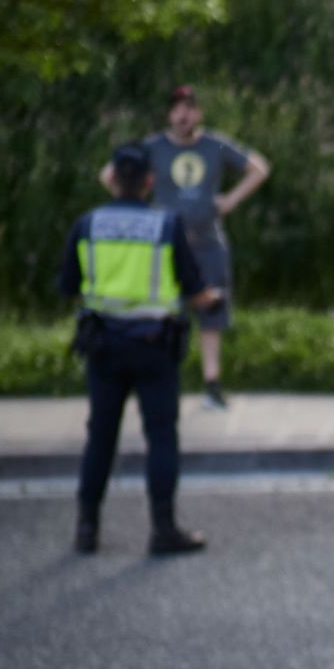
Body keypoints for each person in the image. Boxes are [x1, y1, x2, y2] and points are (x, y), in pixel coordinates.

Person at [66, 142, 219, 556]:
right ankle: (163, 529)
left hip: (103, 347)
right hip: (155, 348)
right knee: (161, 437)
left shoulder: (87, 224)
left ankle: (86, 528)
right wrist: (211, 299)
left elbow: (68, 287)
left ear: (112, 179)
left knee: (100, 437)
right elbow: (194, 290)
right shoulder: (166, 226)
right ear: (150, 181)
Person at [99, 85, 271, 410]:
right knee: (165, 314)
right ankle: (165, 381)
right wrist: (137, 206)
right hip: (165, 246)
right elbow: (108, 174)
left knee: (212, 311)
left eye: (190, 107)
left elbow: (259, 167)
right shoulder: (153, 146)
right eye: (177, 108)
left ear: (199, 113)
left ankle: (212, 383)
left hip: (208, 242)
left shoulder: (214, 144)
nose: (183, 114)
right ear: (169, 114)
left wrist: (230, 200)